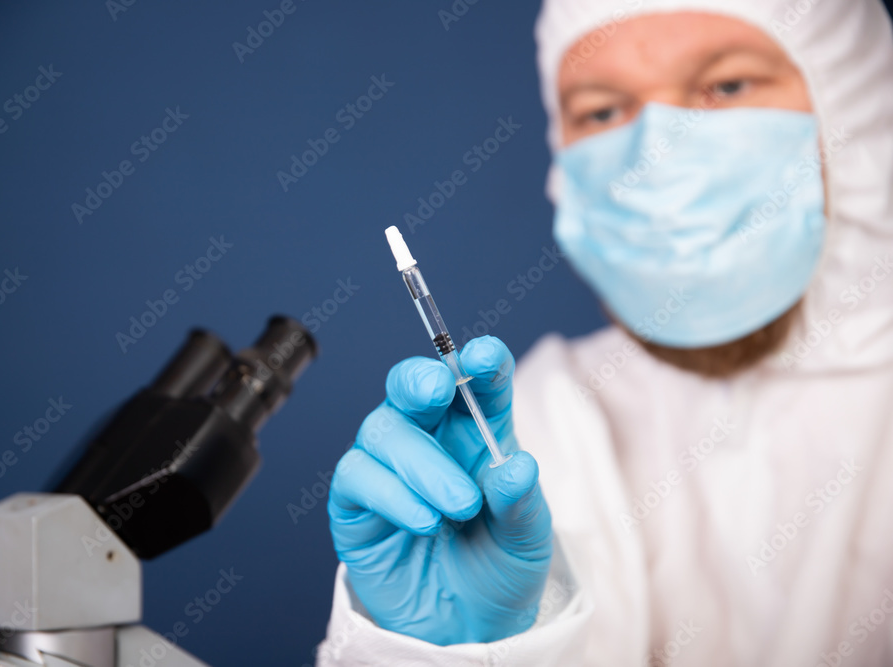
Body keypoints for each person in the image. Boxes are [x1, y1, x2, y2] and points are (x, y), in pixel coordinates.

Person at [316, 0, 893, 664]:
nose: (658, 152)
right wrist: (452, 650)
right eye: (602, 111)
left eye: (728, 84)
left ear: (854, 110)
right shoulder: (534, 418)